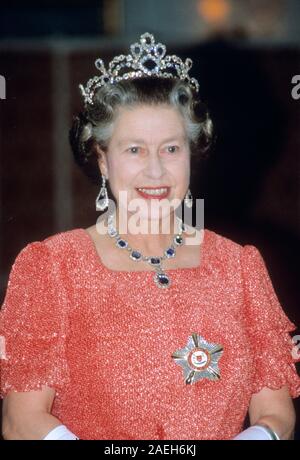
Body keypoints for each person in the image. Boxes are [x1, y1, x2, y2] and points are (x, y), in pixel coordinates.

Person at [1, 32, 300, 441]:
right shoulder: (54, 266)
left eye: (171, 149)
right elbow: (21, 421)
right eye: (135, 150)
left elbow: (276, 412)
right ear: (103, 159)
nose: (156, 172)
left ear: (191, 154)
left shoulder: (239, 265)